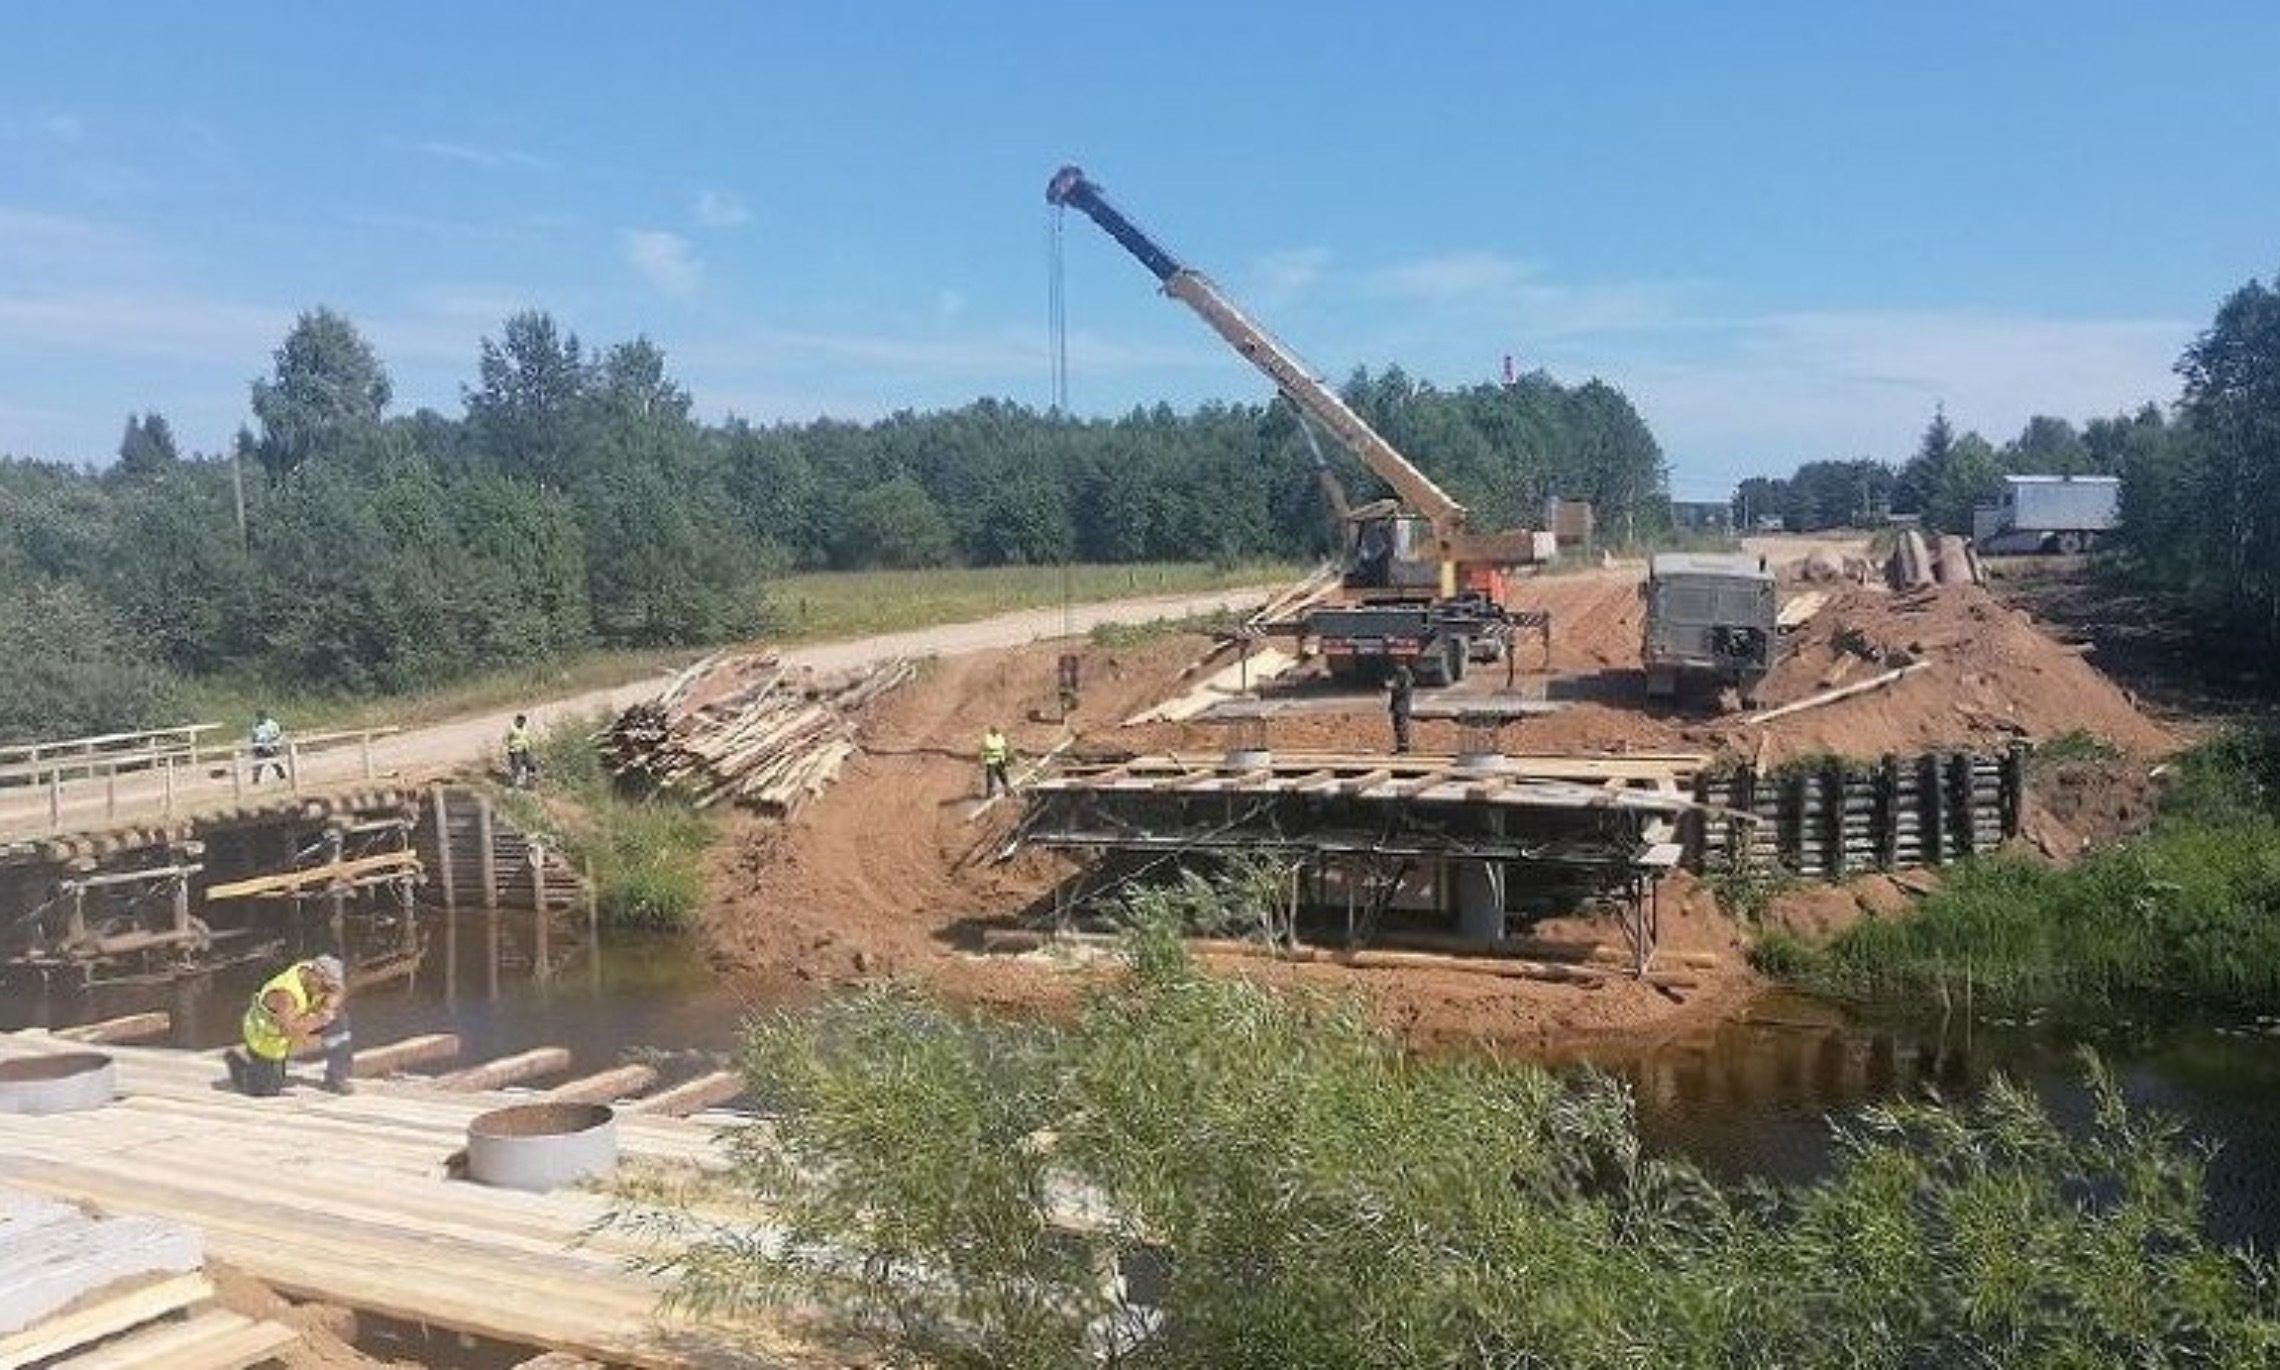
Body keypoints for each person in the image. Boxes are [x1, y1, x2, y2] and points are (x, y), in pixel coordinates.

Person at [225, 954, 354, 1096]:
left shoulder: (315, 980)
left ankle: (336, 1078)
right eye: (324, 986)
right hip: (266, 1037)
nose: (326, 991)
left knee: (339, 1020)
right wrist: (318, 1019)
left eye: (329, 988)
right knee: (266, 1090)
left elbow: (339, 991)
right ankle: (237, 1062)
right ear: (314, 975)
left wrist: (328, 1007)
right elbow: (289, 1032)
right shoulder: (285, 994)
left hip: (296, 1024)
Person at [249, 711, 287, 785]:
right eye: (259, 718)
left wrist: (273, 742)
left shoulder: (272, 724)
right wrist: (254, 747)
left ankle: (282, 777)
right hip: (260, 747)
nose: (261, 719)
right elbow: (253, 737)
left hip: (271, 746)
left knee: (275, 762)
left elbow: (278, 734)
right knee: (258, 765)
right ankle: (255, 781)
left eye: (262, 718)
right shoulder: (256, 726)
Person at [1386, 663, 1415, 754]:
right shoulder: (1401, 679)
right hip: (1397, 706)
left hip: (1402, 706)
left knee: (1402, 726)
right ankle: (1400, 746)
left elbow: (1402, 692)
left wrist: (1392, 687)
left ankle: (1404, 747)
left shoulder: (1405, 680)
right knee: (1398, 726)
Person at [980, 725, 1013, 799]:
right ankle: (990, 793)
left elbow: (1005, 747)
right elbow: (983, 749)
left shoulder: (999, 737)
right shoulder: (987, 738)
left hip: (999, 760)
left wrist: (1008, 756)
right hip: (992, 761)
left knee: (1003, 775)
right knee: (991, 777)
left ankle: (1007, 790)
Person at [505, 713, 537, 789]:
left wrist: (530, 745)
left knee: (531, 764)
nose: (522, 723)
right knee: (517, 767)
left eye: (524, 722)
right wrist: (511, 749)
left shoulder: (525, 728)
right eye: (521, 721)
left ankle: (529, 781)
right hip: (515, 750)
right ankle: (514, 783)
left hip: (525, 749)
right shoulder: (512, 728)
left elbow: (527, 737)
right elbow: (508, 738)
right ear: (517, 721)